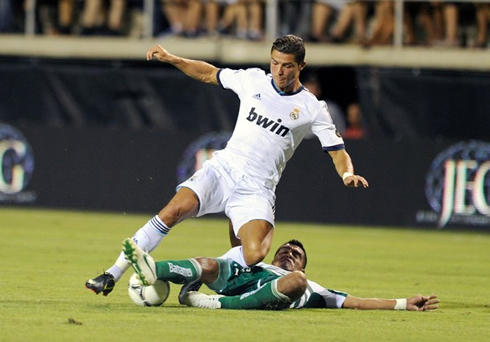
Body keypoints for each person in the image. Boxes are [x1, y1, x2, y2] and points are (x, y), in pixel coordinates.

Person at [85, 34, 369, 297]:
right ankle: (112, 273)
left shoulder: (312, 108)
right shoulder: (253, 81)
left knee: (254, 254)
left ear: (301, 66)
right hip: (223, 169)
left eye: (287, 66)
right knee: (173, 210)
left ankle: (203, 271)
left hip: (257, 188)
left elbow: (337, 151)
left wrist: (347, 173)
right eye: (274, 63)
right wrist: (173, 59)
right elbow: (209, 73)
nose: (279, 71)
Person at [123, 237, 440, 311]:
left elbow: (357, 302)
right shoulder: (255, 262)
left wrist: (402, 303)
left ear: (302, 264)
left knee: (296, 285)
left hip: (274, 293)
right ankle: (154, 270)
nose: (289, 252)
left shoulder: (311, 283)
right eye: (285, 249)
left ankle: (215, 305)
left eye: (296, 254)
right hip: (245, 281)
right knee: (210, 263)